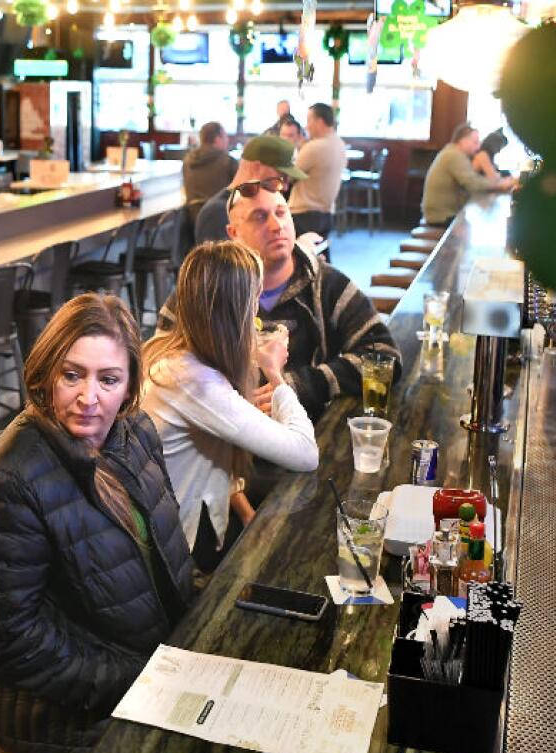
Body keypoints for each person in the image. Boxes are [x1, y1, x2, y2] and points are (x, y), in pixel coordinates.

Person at [0, 294, 194, 753]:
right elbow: (7, 642)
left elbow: (165, 557)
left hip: (142, 663)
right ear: (48, 372)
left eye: (108, 379)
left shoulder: (134, 432)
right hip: (51, 710)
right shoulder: (10, 476)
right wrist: (142, 678)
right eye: (73, 375)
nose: (88, 397)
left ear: (131, 384)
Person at [143, 241, 318, 571]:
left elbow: (212, 459)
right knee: (307, 520)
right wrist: (274, 373)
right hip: (179, 546)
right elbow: (306, 453)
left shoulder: (172, 353)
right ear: (235, 315)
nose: (257, 316)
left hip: (183, 516)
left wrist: (247, 515)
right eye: (253, 305)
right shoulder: (196, 382)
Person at [163, 182, 400, 423]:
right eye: (260, 217)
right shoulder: (203, 288)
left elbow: (384, 356)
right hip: (221, 439)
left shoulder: (328, 285)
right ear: (233, 233)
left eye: (281, 212)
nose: (277, 226)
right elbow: (161, 364)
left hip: (307, 435)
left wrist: (301, 386)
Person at [194, 134, 307, 244]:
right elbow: (228, 262)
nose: (285, 186)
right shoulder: (216, 214)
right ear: (256, 167)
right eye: (281, 176)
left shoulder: (270, 205)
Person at [421, 123, 514, 226]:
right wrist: (500, 184)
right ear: (462, 141)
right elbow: (473, 183)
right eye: (475, 142)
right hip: (441, 216)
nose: (478, 146)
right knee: (484, 223)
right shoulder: (454, 155)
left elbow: (473, 181)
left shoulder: (454, 153)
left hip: (441, 213)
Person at [288, 102, 347, 243]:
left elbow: (290, 177)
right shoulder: (340, 144)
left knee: (302, 260)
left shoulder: (313, 147)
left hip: (304, 213)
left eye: (309, 120)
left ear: (320, 122)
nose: (307, 126)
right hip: (326, 213)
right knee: (320, 258)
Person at [182, 121, 238, 225]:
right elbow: (239, 195)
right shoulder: (229, 162)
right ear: (217, 139)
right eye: (225, 136)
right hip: (221, 221)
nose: (228, 140)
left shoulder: (187, 161)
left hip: (192, 221)